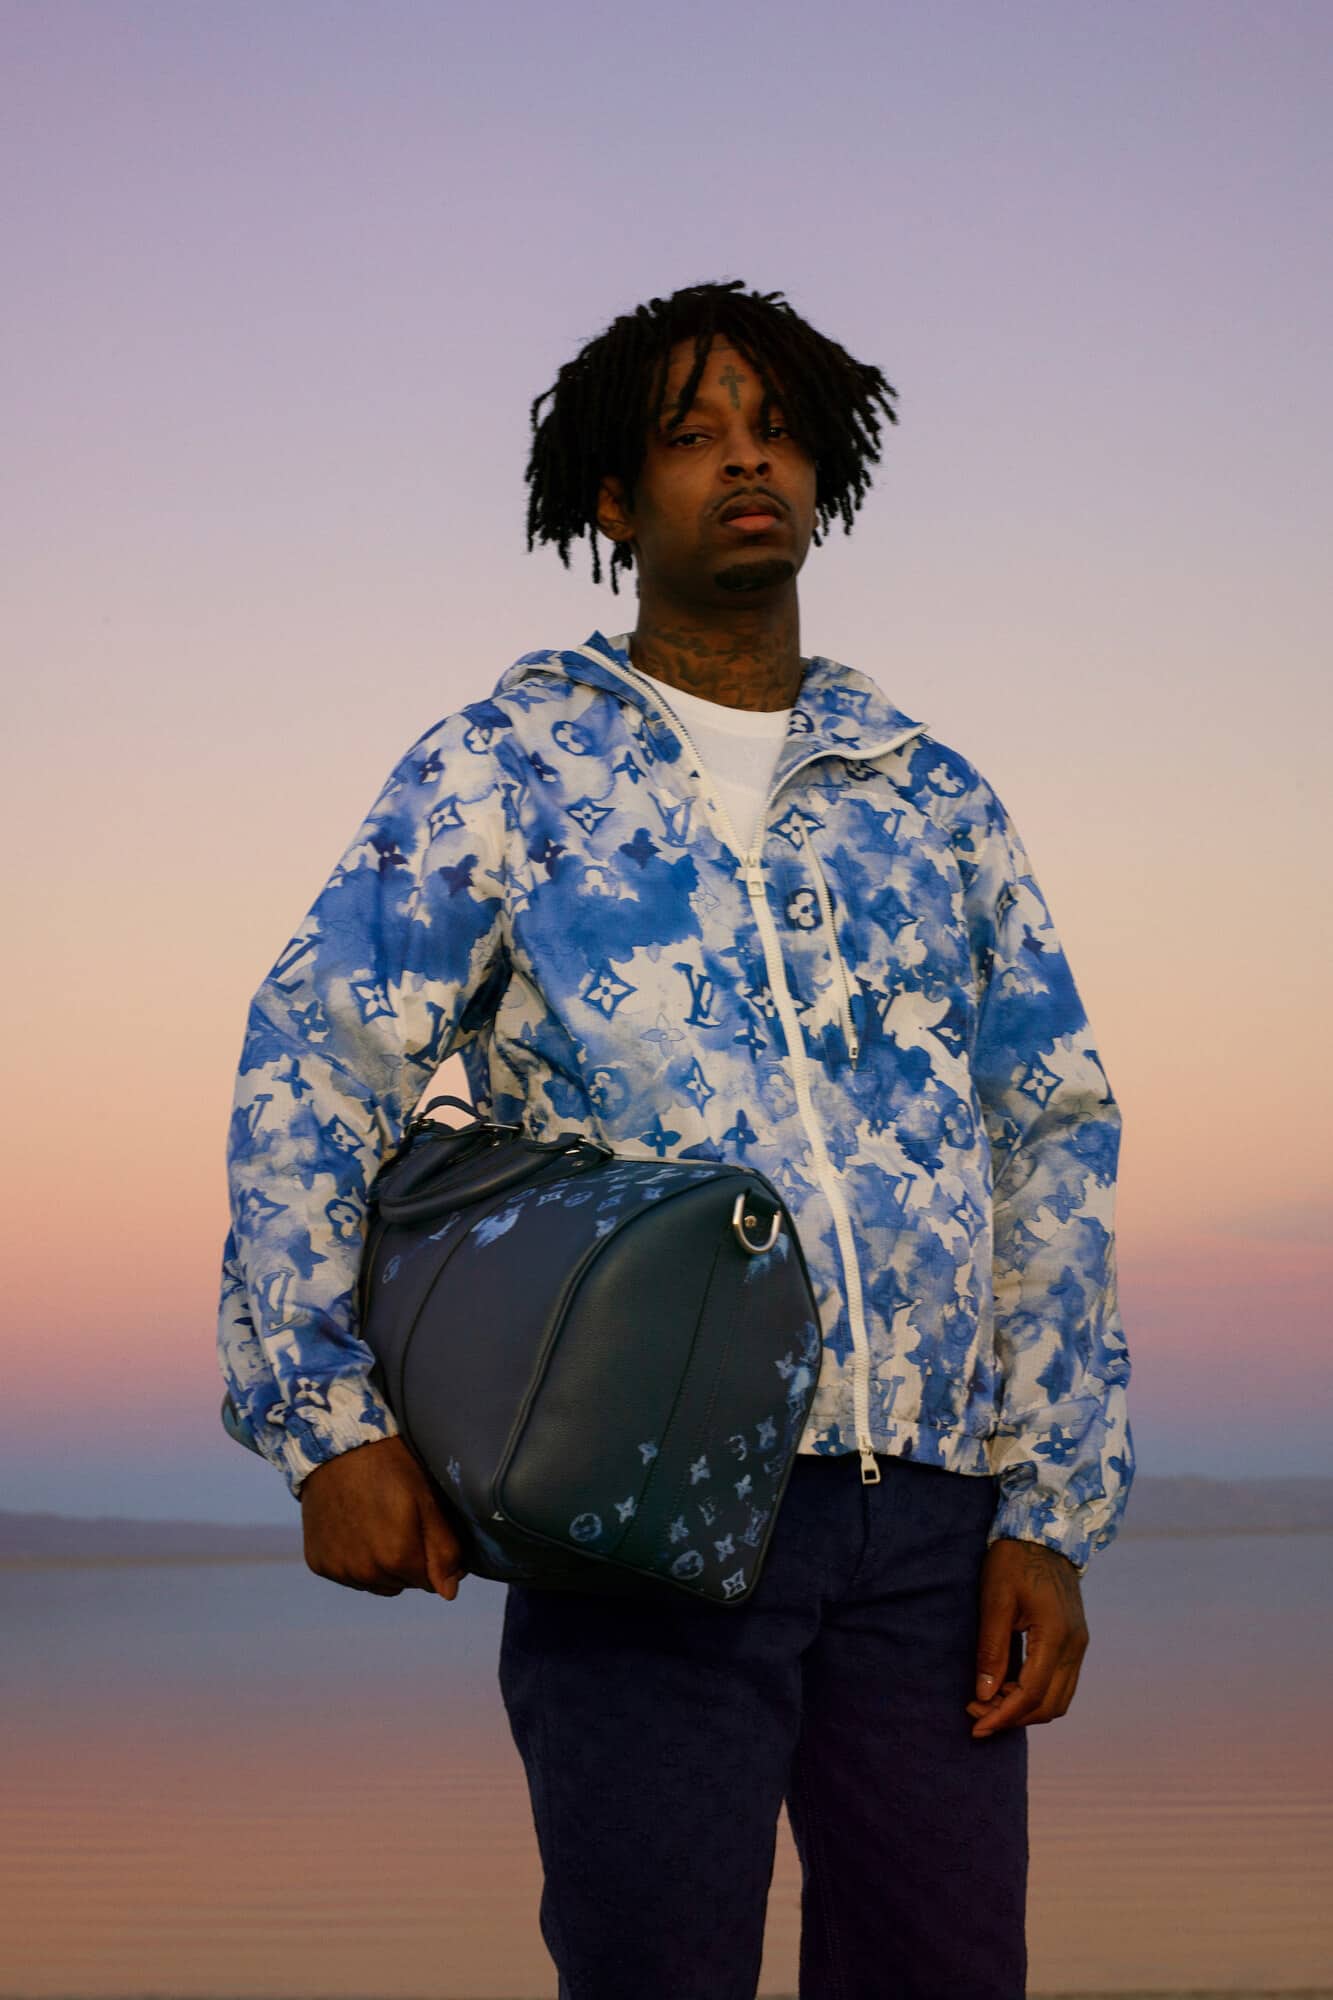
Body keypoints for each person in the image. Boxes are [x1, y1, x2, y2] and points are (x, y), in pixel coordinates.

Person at [217, 278, 1134, 2000]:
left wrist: (1048, 1514)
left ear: (824, 473)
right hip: (636, 1503)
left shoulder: (929, 796)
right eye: (692, 435)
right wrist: (327, 1424)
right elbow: (316, 1067)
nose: (746, 461)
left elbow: (1049, 1139)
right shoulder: (504, 768)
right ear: (612, 501)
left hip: (930, 1531)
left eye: (776, 430)